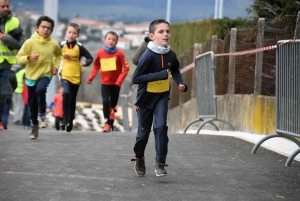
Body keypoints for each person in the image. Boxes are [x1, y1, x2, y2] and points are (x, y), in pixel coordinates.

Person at [131, 19, 188, 177]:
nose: (165, 34)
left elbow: (175, 70)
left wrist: (180, 83)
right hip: (145, 100)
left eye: (167, 31)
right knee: (143, 134)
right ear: (151, 36)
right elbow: (136, 78)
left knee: (161, 127)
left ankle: (160, 163)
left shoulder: (171, 55)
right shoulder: (147, 55)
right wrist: (160, 75)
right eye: (161, 31)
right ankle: (139, 158)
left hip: (161, 98)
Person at [16, 15, 62, 140]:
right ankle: (34, 127)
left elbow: (59, 55)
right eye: (43, 27)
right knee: (31, 103)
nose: (46, 30)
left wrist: (56, 67)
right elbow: (19, 59)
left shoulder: (53, 44)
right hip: (31, 75)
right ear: (37, 28)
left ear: (51, 31)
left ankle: (42, 114)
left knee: (40, 90)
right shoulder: (29, 43)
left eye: (49, 28)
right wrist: (29, 58)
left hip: (46, 73)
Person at [87, 31, 129, 132]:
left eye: (113, 40)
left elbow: (126, 68)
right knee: (106, 102)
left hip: (116, 84)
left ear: (116, 42)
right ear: (104, 40)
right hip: (105, 83)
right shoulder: (100, 53)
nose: (111, 41)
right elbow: (96, 65)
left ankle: (111, 120)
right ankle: (107, 123)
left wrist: (119, 81)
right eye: (109, 39)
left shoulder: (119, 53)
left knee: (112, 104)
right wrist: (91, 77)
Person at [59, 22, 93, 132]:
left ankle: (70, 120)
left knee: (72, 99)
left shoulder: (80, 47)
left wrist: (85, 62)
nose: (71, 35)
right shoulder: (61, 45)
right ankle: (64, 118)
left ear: (78, 35)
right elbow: (54, 56)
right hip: (64, 75)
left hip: (76, 76)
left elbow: (90, 58)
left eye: (74, 33)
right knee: (66, 93)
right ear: (66, 33)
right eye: (69, 32)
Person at [0, 0, 25, 130]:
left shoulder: (14, 22)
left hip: (5, 64)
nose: (5, 9)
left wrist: (6, 39)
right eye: (2, 6)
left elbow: (22, 44)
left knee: (2, 94)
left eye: (7, 6)